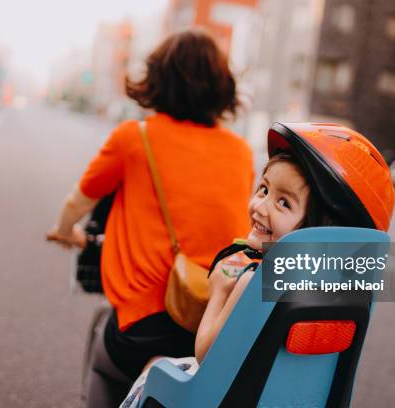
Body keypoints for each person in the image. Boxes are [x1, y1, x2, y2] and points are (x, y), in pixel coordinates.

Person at [46, 29, 254, 407]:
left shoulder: (134, 138)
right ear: (222, 88)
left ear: (157, 80)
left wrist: (64, 232)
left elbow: (79, 202)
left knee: (104, 364)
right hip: (216, 330)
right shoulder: (241, 152)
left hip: (144, 329)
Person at [120, 122, 395, 407]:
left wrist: (219, 292)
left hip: (222, 398)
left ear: (319, 225)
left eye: (284, 203)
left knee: (156, 365)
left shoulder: (253, 281)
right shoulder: (349, 290)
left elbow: (206, 354)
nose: (259, 206)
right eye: (263, 190)